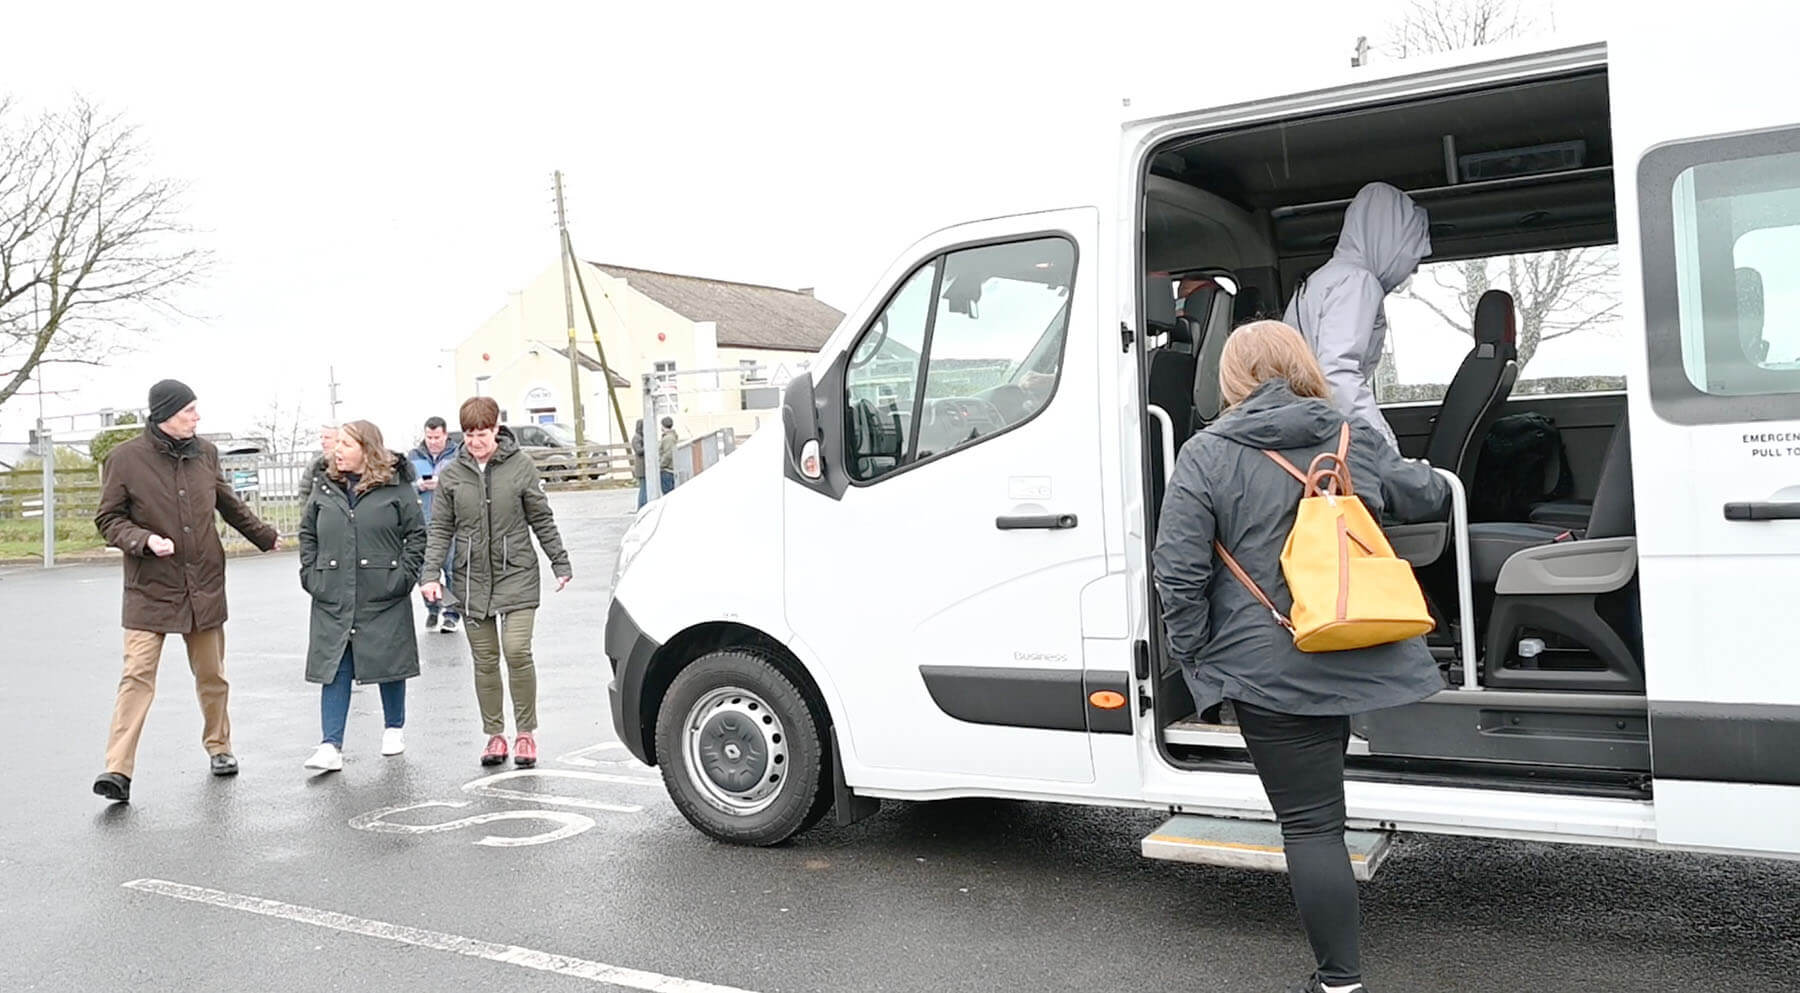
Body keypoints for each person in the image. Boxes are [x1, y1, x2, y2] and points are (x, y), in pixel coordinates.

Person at [1150, 322, 1448, 993]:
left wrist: (1198, 658)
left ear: (1231, 379)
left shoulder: (1205, 454)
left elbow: (1177, 571)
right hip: (1354, 641)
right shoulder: (1350, 434)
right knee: (1323, 814)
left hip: (1268, 666)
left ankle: (1340, 981)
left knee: (1312, 824)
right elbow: (1424, 496)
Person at [91, 379, 282, 803]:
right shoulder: (124, 460)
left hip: (203, 584)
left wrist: (264, 536)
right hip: (149, 588)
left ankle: (220, 747)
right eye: (189, 411)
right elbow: (108, 519)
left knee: (211, 674)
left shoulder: (206, 453)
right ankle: (117, 770)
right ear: (164, 415)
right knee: (136, 676)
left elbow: (227, 503)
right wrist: (143, 541)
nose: (197, 418)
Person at [421, 397, 573, 768]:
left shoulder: (520, 465)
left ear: (496, 429)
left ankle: (526, 734)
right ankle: (494, 736)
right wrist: (429, 574)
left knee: (517, 651)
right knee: (485, 660)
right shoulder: (454, 474)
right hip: (471, 577)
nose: (475, 441)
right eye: (470, 434)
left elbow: (541, 517)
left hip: (516, 571)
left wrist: (560, 561)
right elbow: (441, 528)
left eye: (483, 433)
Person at [299, 420, 427, 772]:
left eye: (346, 444)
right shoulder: (324, 486)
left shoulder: (395, 488)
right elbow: (307, 532)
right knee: (335, 664)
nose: (337, 450)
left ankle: (393, 727)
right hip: (333, 589)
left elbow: (417, 535)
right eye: (336, 443)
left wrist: (402, 577)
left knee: (388, 660)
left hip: (382, 588)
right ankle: (330, 744)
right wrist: (312, 574)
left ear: (366, 450)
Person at [1282, 181, 1432, 451]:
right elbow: (1338, 374)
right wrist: (1383, 445)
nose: (1413, 267)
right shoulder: (1357, 281)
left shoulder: (1323, 278)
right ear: (1389, 240)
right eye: (1411, 249)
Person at [408, 415, 461, 632]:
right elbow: (404, 486)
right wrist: (418, 485)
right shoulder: (413, 456)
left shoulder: (457, 455)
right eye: (429, 437)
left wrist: (443, 484)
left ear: (445, 435)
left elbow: (465, 484)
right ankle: (432, 608)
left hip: (449, 522)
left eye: (436, 437)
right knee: (424, 571)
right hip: (422, 521)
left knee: (451, 571)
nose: (432, 441)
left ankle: (451, 614)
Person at [301, 423, 339, 499]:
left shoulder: (352, 466)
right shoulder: (314, 467)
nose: (322, 442)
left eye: (327, 438)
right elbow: (304, 496)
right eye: (321, 437)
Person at [657, 416, 678, 495]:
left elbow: (668, 454)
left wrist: (660, 465)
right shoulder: (672, 437)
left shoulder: (668, 438)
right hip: (669, 470)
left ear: (663, 426)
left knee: (667, 494)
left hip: (667, 471)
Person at [631, 419, 649, 508]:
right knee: (643, 488)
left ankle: (643, 505)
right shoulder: (637, 438)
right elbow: (639, 450)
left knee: (644, 487)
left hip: (643, 466)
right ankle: (641, 506)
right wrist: (648, 446)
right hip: (641, 467)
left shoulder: (641, 437)